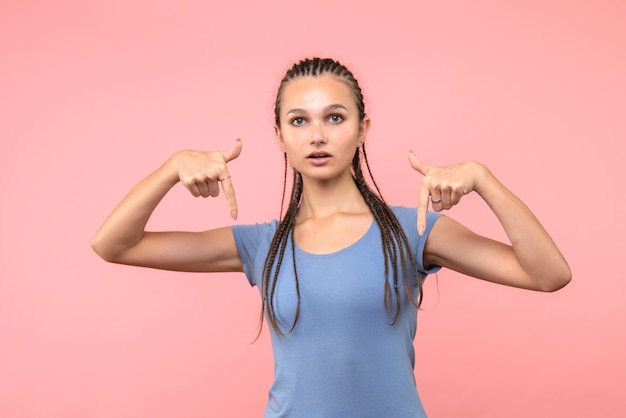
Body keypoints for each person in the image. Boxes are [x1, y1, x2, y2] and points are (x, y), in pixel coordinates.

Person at [91, 57, 571, 417]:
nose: (316, 135)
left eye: (334, 118)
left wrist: (485, 180)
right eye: (299, 120)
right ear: (279, 135)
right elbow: (114, 245)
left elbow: (548, 274)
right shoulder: (263, 245)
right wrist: (172, 167)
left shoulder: (411, 231)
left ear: (362, 129)